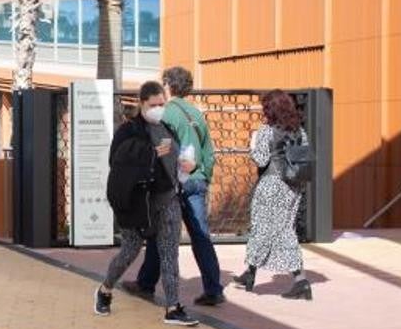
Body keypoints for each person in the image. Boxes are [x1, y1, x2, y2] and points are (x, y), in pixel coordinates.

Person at [94, 81, 199, 327]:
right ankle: (105, 289)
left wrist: (187, 166)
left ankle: (173, 308)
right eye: (154, 105)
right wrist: (151, 154)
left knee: (169, 254)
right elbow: (118, 163)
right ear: (142, 103)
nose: (159, 109)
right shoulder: (129, 130)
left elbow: (175, 162)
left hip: (168, 200)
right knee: (130, 250)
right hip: (138, 203)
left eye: (162, 104)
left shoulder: (168, 128)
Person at [125, 66, 225, 306]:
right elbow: (208, 152)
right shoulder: (197, 113)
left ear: (168, 85)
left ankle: (146, 284)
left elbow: (161, 149)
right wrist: (202, 176)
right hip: (197, 181)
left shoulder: (165, 113)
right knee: (201, 236)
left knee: (162, 232)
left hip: (174, 182)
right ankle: (213, 288)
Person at [234, 90, 313, 300]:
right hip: (293, 187)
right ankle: (249, 272)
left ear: (271, 109)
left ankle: (301, 280)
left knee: (272, 230)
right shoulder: (300, 132)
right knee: (278, 228)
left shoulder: (267, 131)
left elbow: (260, 160)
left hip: (271, 185)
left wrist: (252, 143)